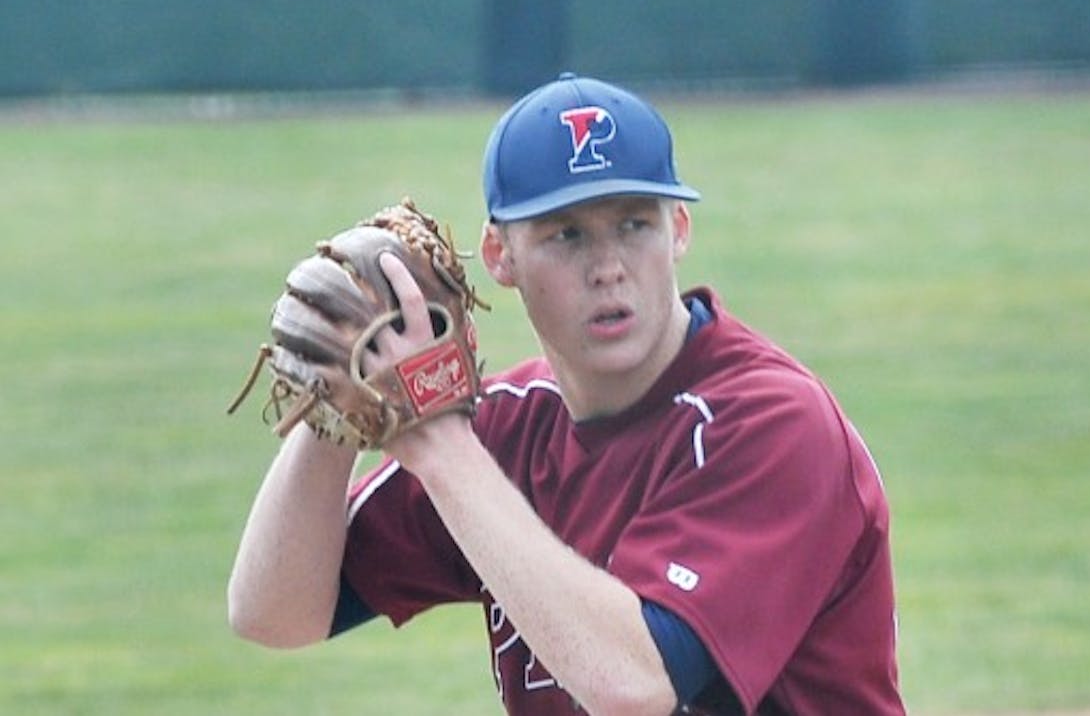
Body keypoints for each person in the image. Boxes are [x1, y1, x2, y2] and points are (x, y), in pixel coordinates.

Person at [227, 72, 906, 714]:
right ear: (499, 257)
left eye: (634, 224)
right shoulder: (505, 427)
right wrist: (335, 406)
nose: (608, 268)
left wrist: (436, 442)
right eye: (567, 234)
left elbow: (632, 687)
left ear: (679, 231)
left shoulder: (772, 425)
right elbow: (274, 612)